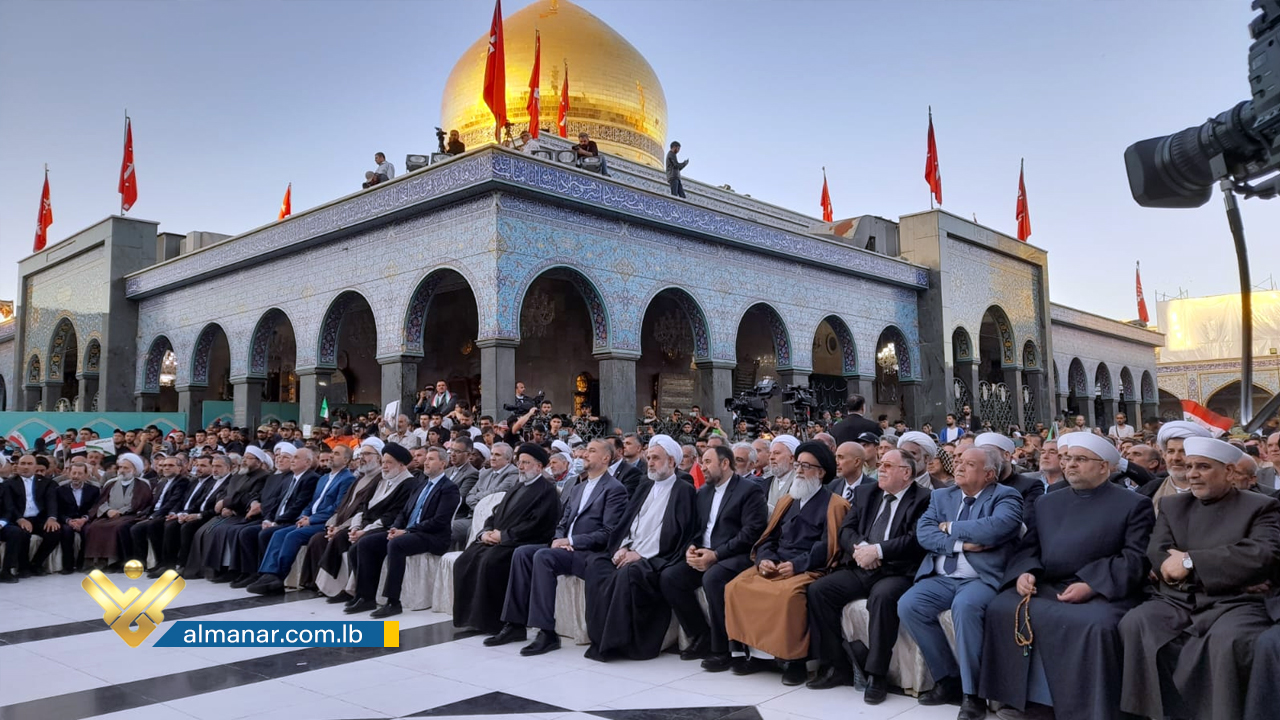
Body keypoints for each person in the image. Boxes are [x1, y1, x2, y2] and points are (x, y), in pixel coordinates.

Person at [980, 433, 1154, 720]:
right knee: (1002, 608)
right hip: (1049, 583)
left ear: (1104, 467)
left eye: (1080, 460)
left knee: (1094, 625)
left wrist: (1092, 585)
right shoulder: (1048, 503)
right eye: (1068, 459)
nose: (1070, 465)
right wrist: (1026, 572)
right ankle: (1027, 702)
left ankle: (1083, 710)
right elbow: (1030, 547)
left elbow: (1135, 558)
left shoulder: (1134, 504)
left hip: (1103, 589)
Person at [1120, 437, 1280, 720]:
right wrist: (1204, 570)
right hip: (1179, 598)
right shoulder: (1173, 506)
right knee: (1137, 622)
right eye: (1190, 466)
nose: (1192, 473)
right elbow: (1158, 552)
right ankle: (1152, 713)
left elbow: (1260, 554)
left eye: (1203, 467)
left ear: (1230, 472)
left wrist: (1190, 560)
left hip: (1236, 602)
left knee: (1227, 642)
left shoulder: (1261, 506)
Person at [897, 446, 1023, 720]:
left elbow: (996, 528)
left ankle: (973, 694)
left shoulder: (1006, 496)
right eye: (959, 461)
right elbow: (925, 534)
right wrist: (962, 544)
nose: (960, 467)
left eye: (969, 464)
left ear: (989, 474)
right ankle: (947, 679)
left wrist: (950, 527)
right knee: (909, 604)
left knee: (965, 608)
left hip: (981, 578)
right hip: (942, 576)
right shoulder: (943, 496)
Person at [805, 448, 930, 702]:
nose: (880, 469)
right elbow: (846, 529)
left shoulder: (924, 498)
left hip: (897, 570)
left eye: (887, 465)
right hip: (862, 564)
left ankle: (877, 675)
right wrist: (863, 550)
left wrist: (879, 552)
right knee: (819, 590)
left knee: (882, 599)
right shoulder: (867, 492)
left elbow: (916, 540)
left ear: (906, 473)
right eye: (881, 464)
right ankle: (836, 665)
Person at [724, 440, 851, 686]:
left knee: (787, 597)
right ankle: (754, 654)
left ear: (821, 472)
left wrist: (797, 565)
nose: (799, 470)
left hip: (808, 567)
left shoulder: (835, 505)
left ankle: (795, 661)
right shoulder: (787, 500)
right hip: (776, 563)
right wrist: (765, 559)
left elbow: (828, 545)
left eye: (806, 466)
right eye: (797, 464)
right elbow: (769, 537)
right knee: (736, 587)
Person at [486, 439, 628, 655]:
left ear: (606, 458)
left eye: (591, 451)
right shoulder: (578, 488)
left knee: (543, 557)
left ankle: (546, 632)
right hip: (565, 547)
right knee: (522, 553)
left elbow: (609, 533)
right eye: (584, 451)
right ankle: (515, 624)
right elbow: (563, 522)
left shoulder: (615, 489)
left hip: (589, 553)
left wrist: (571, 542)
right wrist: (558, 539)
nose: (584, 455)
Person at [583, 435, 699, 661]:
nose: (651, 463)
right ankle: (599, 637)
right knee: (596, 564)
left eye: (656, 458)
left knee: (629, 574)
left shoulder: (682, 489)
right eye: (649, 458)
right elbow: (629, 521)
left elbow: (675, 534)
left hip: (656, 558)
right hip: (631, 550)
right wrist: (623, 547)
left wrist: (640, 555)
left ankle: (620, 642)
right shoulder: (645, 484)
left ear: (672, 462)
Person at [659, 445, 767, 669]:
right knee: (670, 576)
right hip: (706, 553)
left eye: (708, 462)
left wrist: (716, 555)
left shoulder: (749, 490)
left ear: (725, 464)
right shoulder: (704, 492)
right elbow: (696, 529)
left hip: (736, 555)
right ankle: (701, 636)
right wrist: (692, 548)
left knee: (713, 578)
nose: (702, 467)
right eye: (701, 462)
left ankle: (724, 649)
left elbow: (751, 533)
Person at [452, 443, 559, 633]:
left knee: (490, 562)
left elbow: (538, 525)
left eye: (526, 463)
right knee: (464, 560)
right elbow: (495, 513)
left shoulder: (546, 491)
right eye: (520, 462)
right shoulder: (518, 486)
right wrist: (485, 532)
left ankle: (494, 622)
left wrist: (504, 536)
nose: (521, 467)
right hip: (499, 538)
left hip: (521, 542)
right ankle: (473, 619)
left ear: (539, 467)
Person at [346, 444, 460, 618]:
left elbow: (439, 521)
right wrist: (395, 528)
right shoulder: (421, 485)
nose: (426, 462)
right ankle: (365, 596)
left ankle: (393, 601)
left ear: (443, 464)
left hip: (432, 536)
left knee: (396, 544)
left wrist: (406, 532)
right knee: (366, 543)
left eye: (431, 459)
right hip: (409, 531)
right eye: (426, 459)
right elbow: (404, 512)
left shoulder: (449, 488)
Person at [247, 445, 355, 595]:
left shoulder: (348, 479)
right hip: (309, 519)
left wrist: (311, 519)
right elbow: (312, 502)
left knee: (293, 536)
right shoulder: (324, 478)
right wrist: (304, 516)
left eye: (336, 454)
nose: (331, 456)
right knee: (278, 534)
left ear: (346, 460)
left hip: (325, 523)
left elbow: (337, 507)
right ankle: (268, 574)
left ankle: (278, 577)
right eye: (331, 452)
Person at [228, 445, 319, 587]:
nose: (292, 461)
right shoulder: (291, 479)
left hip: (290, 520)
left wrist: (276, 522)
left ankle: (265, 574)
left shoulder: (310, 478)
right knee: (246, 533)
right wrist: (268, 519)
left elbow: (299, 506)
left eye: (295, 458)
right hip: (279, 519)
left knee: (265, 534)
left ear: (307, 462)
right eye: (292, 457)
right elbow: (278, 502)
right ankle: (251, 572)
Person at [185, 445, 272, 579]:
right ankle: (205, 570)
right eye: (244, 457)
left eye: (249, 458)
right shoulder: (238, 475)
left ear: (259, 462)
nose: (245, 460)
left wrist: (228, 504)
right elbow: (225, 493)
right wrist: (224, 505)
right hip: (229, 511)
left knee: (223, 530)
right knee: (206, 530)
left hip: (242, 513)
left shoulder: (263, 477)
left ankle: (228, 570)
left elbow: (251, 496)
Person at [148, 454, 219, 578]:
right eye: (196, 465)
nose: (198, 468)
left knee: (176, 527)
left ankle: (181, 565)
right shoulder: (194, 481)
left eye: (203, 465)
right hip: (185, 512)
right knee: (157, 524)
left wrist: (186, 515)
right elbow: (182, 501)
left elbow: (199, 504)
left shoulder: (212, 482)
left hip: (200, 516)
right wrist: (176, 513)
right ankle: (164, 563)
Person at [82, 454, 154, 570]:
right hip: (109, 515)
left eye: (126, 468)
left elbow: (140, 502)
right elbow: (101, 501)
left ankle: (116, 561)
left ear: (134, 469)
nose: (122, 471)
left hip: (131, 515)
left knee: (119, 526)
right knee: (95, 526)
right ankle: (99, 561)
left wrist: (120, 512)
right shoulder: (110, 483)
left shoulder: (142, 484)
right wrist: (108, 510)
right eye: (120, 467)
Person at [124, 455, 190, 568]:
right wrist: (145, 513)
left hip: (167, 514)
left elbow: (172, 502)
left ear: (179, 468)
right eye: (164, 465)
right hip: (155, 513)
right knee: (133, 527)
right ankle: (141, 563)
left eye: (170, 465)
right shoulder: (163, 482)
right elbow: (154, 503)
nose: (166, 468)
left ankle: (160, 562)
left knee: (152, 526)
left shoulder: (182, 481)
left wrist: (153, 516)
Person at [451, 442, 517, 549]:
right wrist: (479, 504)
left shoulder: (513, 473)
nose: (492, 458)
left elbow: (497, 493)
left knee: (454, 528)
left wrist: (478, 498)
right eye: (492, 454)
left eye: (497, 455)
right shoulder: (485, 473)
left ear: (508, 459)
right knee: (446, 526)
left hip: (490, 520)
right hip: (472, 515)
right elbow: (469, 496)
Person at [1137, 420, 1213, 513]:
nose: (1176, 458)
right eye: (1171, 451)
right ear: (1164, 455)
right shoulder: (1151, 489)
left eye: (1183, 451)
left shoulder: (1214, 491)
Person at [54, 461, 100, 574]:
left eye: (80, 474)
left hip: (85, 519)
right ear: (69, 474)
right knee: (66, 531)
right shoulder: (60, 490)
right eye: (74, 473)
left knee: (89, 530)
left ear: (85, 475)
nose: (76, 476)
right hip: (67, 520)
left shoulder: (93, 490)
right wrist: (69, 521)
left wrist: (84, 519)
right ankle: (68, 566)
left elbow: (95, 508)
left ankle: (82, 564)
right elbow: (58, 510)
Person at [764, 435, 800, 513]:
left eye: (777, 453)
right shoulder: (765, 483)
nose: (771, 457)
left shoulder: (801, 484)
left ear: (792, 458)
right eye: (770, 454)